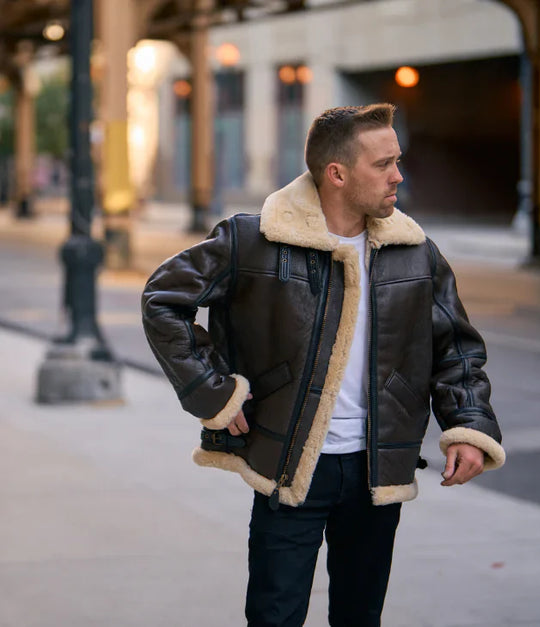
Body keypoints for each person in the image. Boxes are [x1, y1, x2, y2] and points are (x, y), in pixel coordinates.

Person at [142, 103, 505, 627]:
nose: (398, 175)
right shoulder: (253, 239)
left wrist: (469, 425)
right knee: (275, 615)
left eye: (397, 160)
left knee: (360, 617)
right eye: (383, 164)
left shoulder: (415, 251)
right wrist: (211, 391)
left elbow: (456, 348)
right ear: (337, 174)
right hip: (289, 467)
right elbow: (163, 299)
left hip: (377, 473)